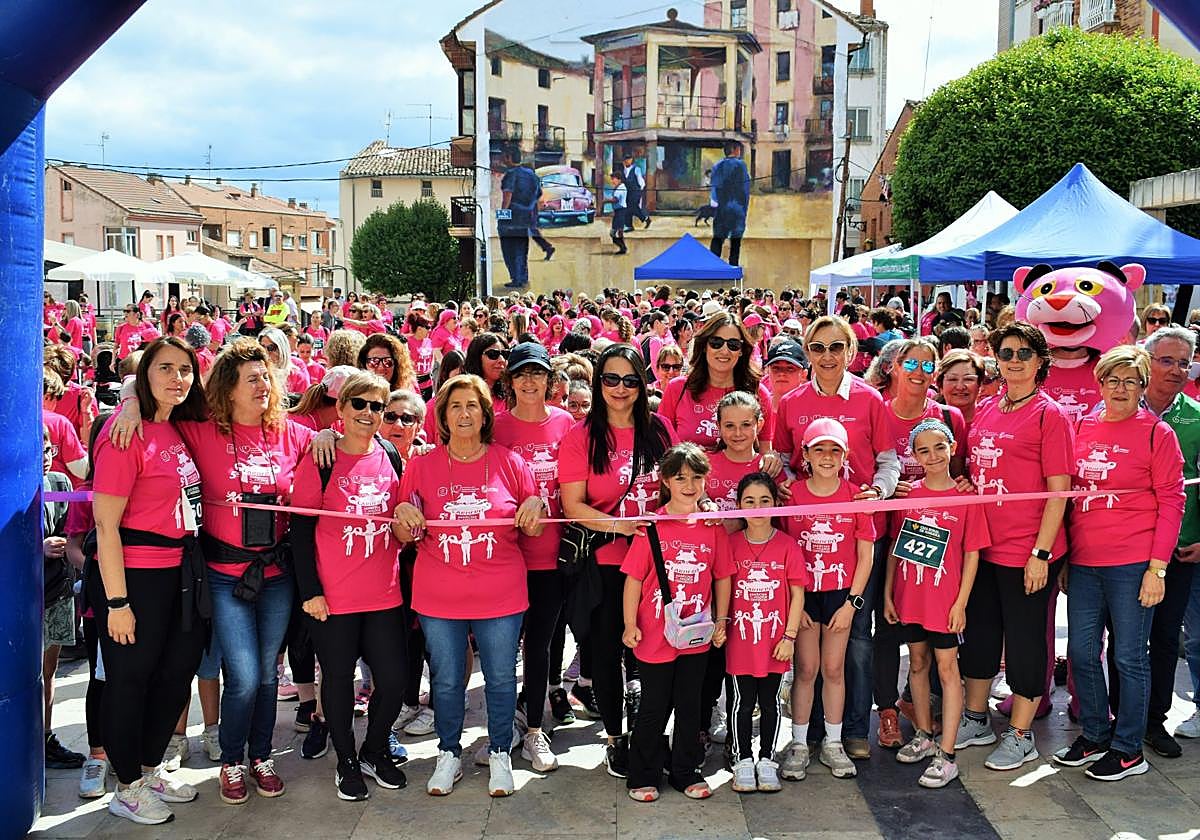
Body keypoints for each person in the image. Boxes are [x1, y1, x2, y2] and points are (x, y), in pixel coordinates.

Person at [110, 336, 322, 803]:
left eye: (267, 375)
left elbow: (334, 428)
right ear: (227, 389)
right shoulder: (200, 429)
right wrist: (127, 405)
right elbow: (148, 390)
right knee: (243, 674)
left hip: (277, 575)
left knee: (268, 673)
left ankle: (260, 753)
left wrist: (327, 434)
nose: (263, 384)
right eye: (252, 378)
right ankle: (230, 758)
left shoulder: (294, 432)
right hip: (224, 575)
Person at [393, 374, 544, 798]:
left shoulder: (511, 463)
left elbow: (533, 520)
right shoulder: (421, 466)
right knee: (445, 679)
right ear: (442, 414)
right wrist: (403, 515)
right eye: (455, 405)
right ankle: (448, 753)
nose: (464, 413)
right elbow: (405, 531)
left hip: (500, 590)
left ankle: (499, 752)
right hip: (440, 592)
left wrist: (538, 502)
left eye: (472, 405)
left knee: (499, 677)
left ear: (484, 414)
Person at [1051, 346, 1184, 781]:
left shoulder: (1156, 433)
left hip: (1134, 564)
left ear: (1143, 386)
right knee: (1081, 653)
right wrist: (1068, 555)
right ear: (1100, 384)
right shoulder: (1084, 425)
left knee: (1129, 657)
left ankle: (1128, 749)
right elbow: (1070, 498)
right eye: (1112, 380)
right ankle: (1095, 734)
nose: (1120, 388)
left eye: (1130, 381)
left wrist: (1157, 569)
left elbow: (1173, 501)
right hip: (1087, 561)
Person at [90, 337, 208, 825]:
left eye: (185, 369)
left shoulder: (177, 427)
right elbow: (104, 525)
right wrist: (118, 601)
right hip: (134, 578)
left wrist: (138, 399)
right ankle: (127, 786)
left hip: (181, 574)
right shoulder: (124, 434)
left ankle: (148, 766)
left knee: (175, 674)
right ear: (145, 374)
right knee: (130, 681)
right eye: (165, 369)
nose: (177, 378)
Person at [774, 314, 899, 759]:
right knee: (808, 651)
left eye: (836, 347)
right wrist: (786, 481)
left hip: (861, 538)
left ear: (851, 351)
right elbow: (783, 460)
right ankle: (805, 736)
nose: (827, 356)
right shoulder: (790, 402)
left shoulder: (870, 400)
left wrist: (877, 492)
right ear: (807, 353)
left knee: (858, 640)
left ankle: (852, 731)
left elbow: (889, 462)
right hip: (806, 544)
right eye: (818, 348)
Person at [957, 321, 1073, 771]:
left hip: (1028, 551)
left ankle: (1022, 734)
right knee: (982, 638)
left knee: (1025, 645)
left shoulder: (1050, 415)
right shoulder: (987, 408)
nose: (1014, 361)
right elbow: (974, 468)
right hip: (982, 548)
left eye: (1025, 353)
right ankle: (975, 718)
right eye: (1006, 353)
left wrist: (1041, 553)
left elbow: (1058, 491)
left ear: (1041, 360)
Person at [292, 371, 409, 801]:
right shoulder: (320, 458)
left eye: (377, 406)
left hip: (383, 592)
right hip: (333, 597)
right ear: (340, 408)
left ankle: (374, 750)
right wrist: (310, 592)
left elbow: (401, 515)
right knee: (338, 680)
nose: (368, 413)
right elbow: (300, 532)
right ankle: (345, 759)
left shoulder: (390, 455)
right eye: (358, 404)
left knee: (394, 679)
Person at [560, 345, 676, 778]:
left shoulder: (660, 430)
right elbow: (573, 504)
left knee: (655, 652)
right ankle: (614, 737)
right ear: (597, 381)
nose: (621, 388)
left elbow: (679, 485)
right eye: (611, 379)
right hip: (607, 561)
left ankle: (651, 734)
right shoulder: (581, 436)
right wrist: (620, 527)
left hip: (658, 561)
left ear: (642, 383)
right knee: (608, 652)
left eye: (630, 380)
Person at [620, 443, 734, 802]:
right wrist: (629, 624)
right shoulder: (650, 526)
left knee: (690, 703)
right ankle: (643, 772)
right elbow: (634, 580)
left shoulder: (712, 527)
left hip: (696, 632)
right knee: (654, 704)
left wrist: (721, 619)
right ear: (666, 481)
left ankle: (685, 770)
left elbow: (723, 576)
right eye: (681, 477)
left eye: (697, 477)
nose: (689, 484)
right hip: (654, 632)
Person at [883, 419, 988, 789]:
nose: (932, 456)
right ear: (913, 455)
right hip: (911, 598)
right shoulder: (908, 497)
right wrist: (888, 593)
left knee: (947, 670)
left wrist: (961, 603)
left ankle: (947, 753)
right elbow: (897, 548)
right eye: (923, 450)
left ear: (953, 447)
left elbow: (972, 555)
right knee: (917, 664)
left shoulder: (966, 498)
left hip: (945, 603)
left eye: (938, 447)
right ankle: (924, 734)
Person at [778, 419, 875, 782]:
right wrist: (795, 603)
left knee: (834, 669)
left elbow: (865, 556)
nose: (827, 457)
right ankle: (800, 742)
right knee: (806, 670)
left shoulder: (856, 497)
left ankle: (833, 742)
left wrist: (853, 604)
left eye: (835, 449)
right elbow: (784, 550)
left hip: (839, 594)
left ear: (845, 455)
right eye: (818, 449)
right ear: (804, 455)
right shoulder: (794, 494)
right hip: (804, 594)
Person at [493, 342, 575, 772]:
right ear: (509, 381)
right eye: (521, 374)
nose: (529, 381)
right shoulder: (496, 427)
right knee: (505, 648)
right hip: (505, 557)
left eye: (537, 373)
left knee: (541, 645)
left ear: (549, 380)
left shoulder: (566, 423)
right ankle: (504, 724)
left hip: (552, 555)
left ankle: (534, 729)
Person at [724, 472, 807, 794]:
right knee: (742, 702)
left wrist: (789, 637)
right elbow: (722, 588)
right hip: (740, 640)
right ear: (738, 506)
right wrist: (720, 623)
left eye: (764, 500)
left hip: (776, 641)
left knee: (771, 701)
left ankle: (767, 759)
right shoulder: (730, 544)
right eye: (749, 501)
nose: (757, 507)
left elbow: (797, 594)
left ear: (776, 504)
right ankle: (742, 759)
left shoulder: (787, 546)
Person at [1138, 327, 1200, 753]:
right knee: (1117, 642)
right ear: (1146, 361)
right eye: (1166, 360)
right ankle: (1115, 715)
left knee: (1163, 637)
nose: (1176, 370)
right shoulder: (1114, 409)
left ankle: (1154, 721)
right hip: (1121, 551)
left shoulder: (1196, 417)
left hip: (1179, 551)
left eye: (1184, 362)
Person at [657, 313, 775, 451]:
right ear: (705, 346)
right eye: (716, 343)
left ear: (741, 350)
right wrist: (687, 455)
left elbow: (765, 451)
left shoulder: (759, 393)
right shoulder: (677, 388)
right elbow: (659, 446)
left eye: (733, 344)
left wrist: (771, 460)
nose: (724, 350)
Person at [41, 425, 86, 772]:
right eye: (37, 451)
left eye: (48, 450)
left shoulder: (59, 483)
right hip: (22, 595)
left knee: (49, 669)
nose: (44, 458)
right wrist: (37, 549)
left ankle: (45, 735)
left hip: (56, 591)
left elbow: (69, 530)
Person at [498, 150, 541, 290]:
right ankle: (523, 277)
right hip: (526, 217)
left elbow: (507, 196)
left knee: (509, 248)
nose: (503, 159)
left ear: (509, 157)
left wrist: (502, 215)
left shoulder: (510, 174)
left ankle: (516, 278)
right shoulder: (531, 174)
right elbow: (538, 193)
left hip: (512, 217)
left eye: (505, 156)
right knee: (522, 248)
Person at [710, 141, 750, 266]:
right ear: (735, 150)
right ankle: (733, 266)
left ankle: (712, 266)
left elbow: (714, 188)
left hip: (722, 208)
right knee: (736, 240)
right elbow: (745, 188)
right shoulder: (741, 165)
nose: (740, 152)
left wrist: (715, 205)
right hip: (737, 207)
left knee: (718, 238)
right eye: (739, 149)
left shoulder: (717, 166)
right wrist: (744, 208)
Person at [935, 349, 985, 429]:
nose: (960, 387)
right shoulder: (930, 422)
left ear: (980, 384)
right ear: (940, 385)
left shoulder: (989, 421)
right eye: (952, 379)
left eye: (968, 379)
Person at [621, 152, 650, 229]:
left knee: (632, 207)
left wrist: (639, 191)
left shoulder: (636, 169)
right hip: (627, 193)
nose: (627, 161)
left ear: (631, 160)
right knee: (630, 208)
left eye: (628, 159)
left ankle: (629, 226)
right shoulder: (623, 170)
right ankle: (645, 219)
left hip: (635, 192)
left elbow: (641, 182)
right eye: (625, 160)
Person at [609, 171, 628, 255]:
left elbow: (615, 200)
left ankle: (623, 247)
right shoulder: (618, 187)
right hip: (618, 211)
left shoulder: (621, 188)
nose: (612, 181)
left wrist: (605, 201)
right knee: (615, 231)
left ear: (619, 179)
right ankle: (622, 247)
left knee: (618, 231)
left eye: (614, 179)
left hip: (621, 211)